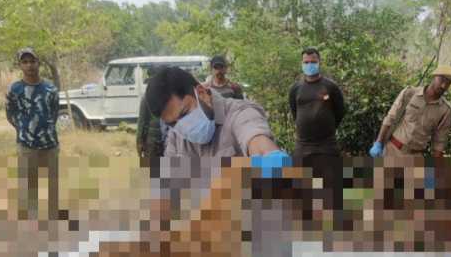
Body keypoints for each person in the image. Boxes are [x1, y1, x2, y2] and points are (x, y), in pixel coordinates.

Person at [144, 65, 288, 172]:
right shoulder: (176, 136)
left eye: (185, 113)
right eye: (173, 123)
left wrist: (268, 156)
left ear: (201, 93)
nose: (183, 126)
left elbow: (254, 135)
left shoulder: (238, 113)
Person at [287, 47, 347, 211]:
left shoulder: (330, 87)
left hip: (327, 145)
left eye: (313, 62)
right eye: (306, 62)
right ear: (302, 63)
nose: (309, 65)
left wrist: (328, 127)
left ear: (319, 62)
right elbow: (295, 112)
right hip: (303, 145)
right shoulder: (295, 89)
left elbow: (341, 111)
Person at [5, 47, 61, 221]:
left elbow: (54, 113)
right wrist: (24, 129)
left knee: (52, 188)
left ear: (39, 63)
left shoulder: (50, 88)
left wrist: (45, 129)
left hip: (50, 146)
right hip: (27, 147)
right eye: (25, 62)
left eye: (32, 61)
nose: (29, 65)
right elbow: (10, 114)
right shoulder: (14, 89)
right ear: (20, 65)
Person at [369, 66, 451, 158]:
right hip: (392, 150)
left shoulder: (445, 109)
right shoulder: (410, 93)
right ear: (434, 77)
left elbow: (439, 141)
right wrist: (378, 143)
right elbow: (390, 117)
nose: (443, 86)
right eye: (442, 80)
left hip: (415, 156)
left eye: (448, 83)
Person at [136, 68, 165, 157]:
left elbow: (141, 122)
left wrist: (139, 141)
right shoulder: (169, 96)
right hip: (167, 140)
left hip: (152, 142)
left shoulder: (145, 98)